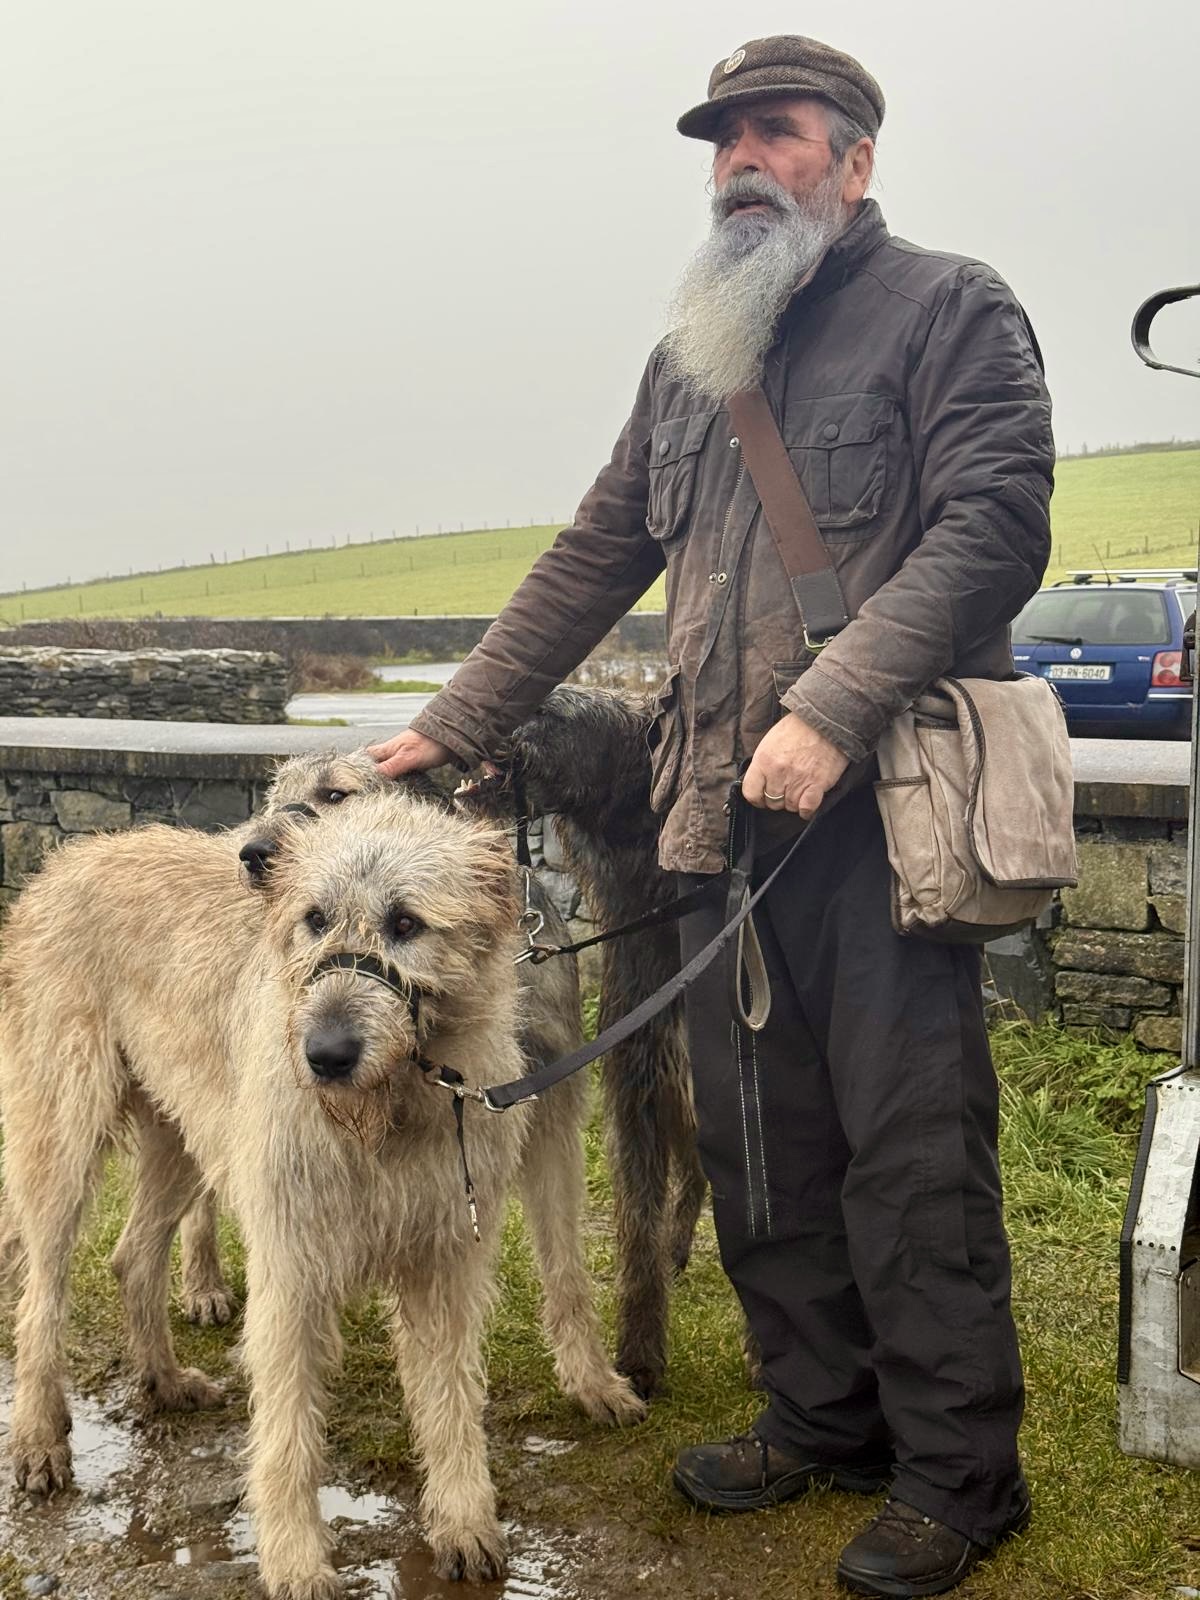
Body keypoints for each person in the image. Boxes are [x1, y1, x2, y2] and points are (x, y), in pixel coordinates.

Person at [368, 33, 1053, 1598]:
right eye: (726, 139)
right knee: (759, 1145)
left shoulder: (950, 309)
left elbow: (995, 529)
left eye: (779, 132)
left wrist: (834, 704)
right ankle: (821, 1419)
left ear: (855, 161)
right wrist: (453, 722)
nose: (744, 160)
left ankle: (961, 1475)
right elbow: (593, 553)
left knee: (909, 1150)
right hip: (718, 823)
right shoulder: (693, 359)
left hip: (883, 815)